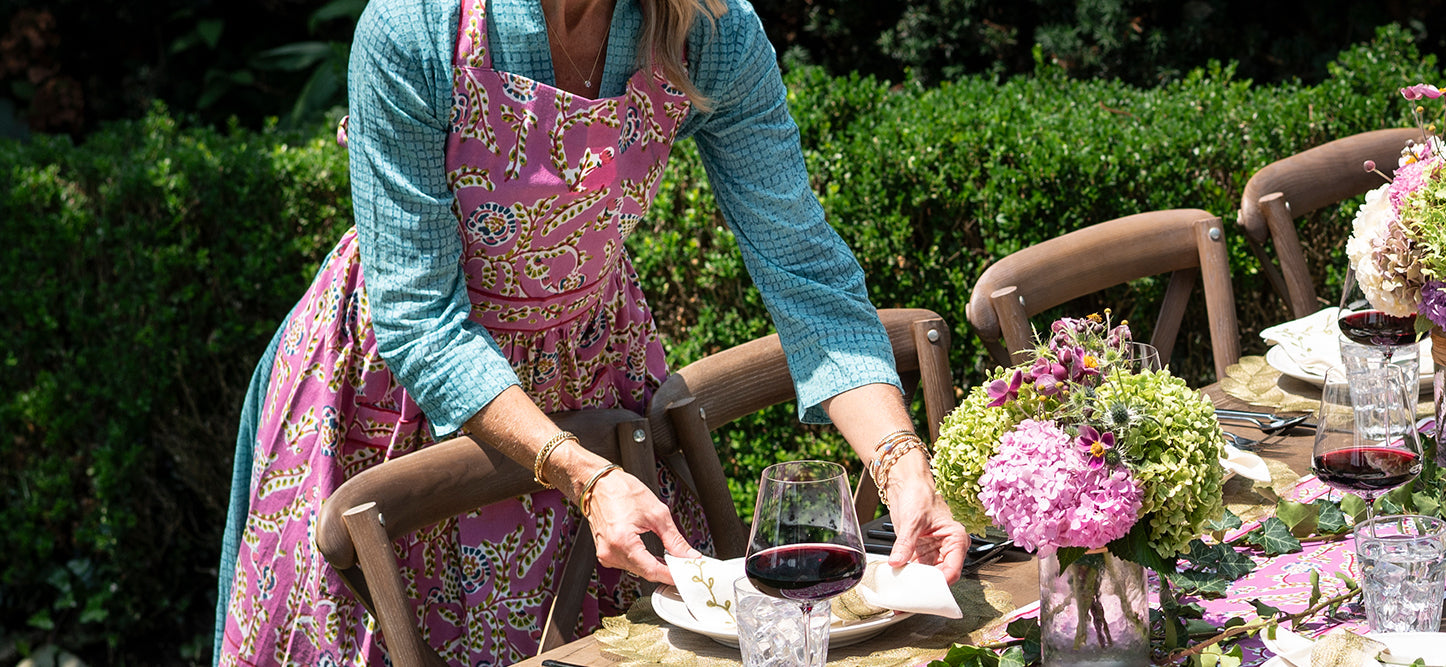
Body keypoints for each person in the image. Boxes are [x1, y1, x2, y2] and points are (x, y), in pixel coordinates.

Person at [207, 0, 970, 664]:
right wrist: (587, 476)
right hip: (398, 390)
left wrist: (901, 462)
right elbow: (420, 318)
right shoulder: (415, 27)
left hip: (587, 366)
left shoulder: (710, 30)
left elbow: (803, 270)